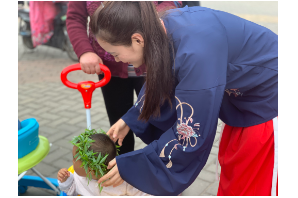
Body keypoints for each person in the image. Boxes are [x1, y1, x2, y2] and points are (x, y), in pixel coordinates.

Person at [88, 2, 278, 196]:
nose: (116, 60)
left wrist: (132, 166)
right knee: (235, 176)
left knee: (252, 185)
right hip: (242, 100)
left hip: (266, 102)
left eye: (115, 53)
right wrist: (131, 118)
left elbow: (191, 131)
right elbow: (164, 73)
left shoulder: (196, 52)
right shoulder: (161, 27)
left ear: (137, 39)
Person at [66, 1, 182, 155]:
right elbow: (75, 17)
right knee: (119, 129)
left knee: (161, 122)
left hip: (154, 64)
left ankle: (164, 165)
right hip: (110, 72)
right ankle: (122, 170)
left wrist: (147, 19)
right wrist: (85, 51)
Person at [57, 131, 152, 196]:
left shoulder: (122, 181)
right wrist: (65, 180)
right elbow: (70, 191)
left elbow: (144, 192)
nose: (72, 161)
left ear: (89, 169)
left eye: (74, 159)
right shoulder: (79, 178)